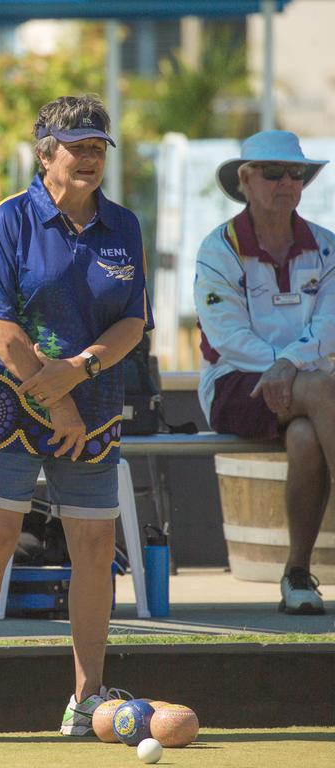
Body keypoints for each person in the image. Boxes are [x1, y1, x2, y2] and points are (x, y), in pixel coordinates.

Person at [0, 94, 152, 739]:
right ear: (44, 153)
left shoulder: (124, 225)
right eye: (76, 146)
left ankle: (88, 702)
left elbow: (132, 322)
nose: (88, 158)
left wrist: (81, 371)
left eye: (97, 148)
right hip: (7, 393)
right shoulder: (9, 219)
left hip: (90, 398)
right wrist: (51, 393)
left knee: (93, 545)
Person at [195, 130, 333, 615]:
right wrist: (288, 366)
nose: (286, 182)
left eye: (296, 173)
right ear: (246, 180)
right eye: (273, 173)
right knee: (320, 388)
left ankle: (297, 574)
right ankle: (297, 573)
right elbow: (227, 336)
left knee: (304, 439)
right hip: (235, 384)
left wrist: (287, 365)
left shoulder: (326, 246)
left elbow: (331, 323)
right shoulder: (219, 248)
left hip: (309, 392)